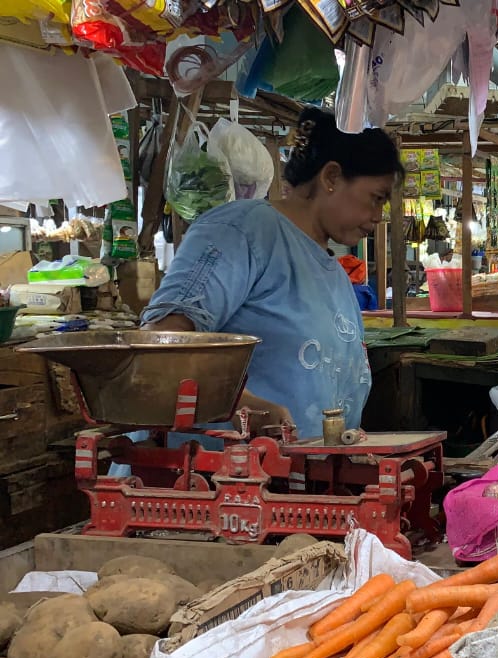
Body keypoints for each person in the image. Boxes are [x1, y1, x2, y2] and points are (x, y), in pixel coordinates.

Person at [140, 107, 403, 439]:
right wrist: (240, 405)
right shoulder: (242, 231)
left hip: (298, 481)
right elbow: (160, 342)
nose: (379, 216)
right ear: (331, 178)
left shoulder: (333, 273)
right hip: (213, 479)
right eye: (376, 198)